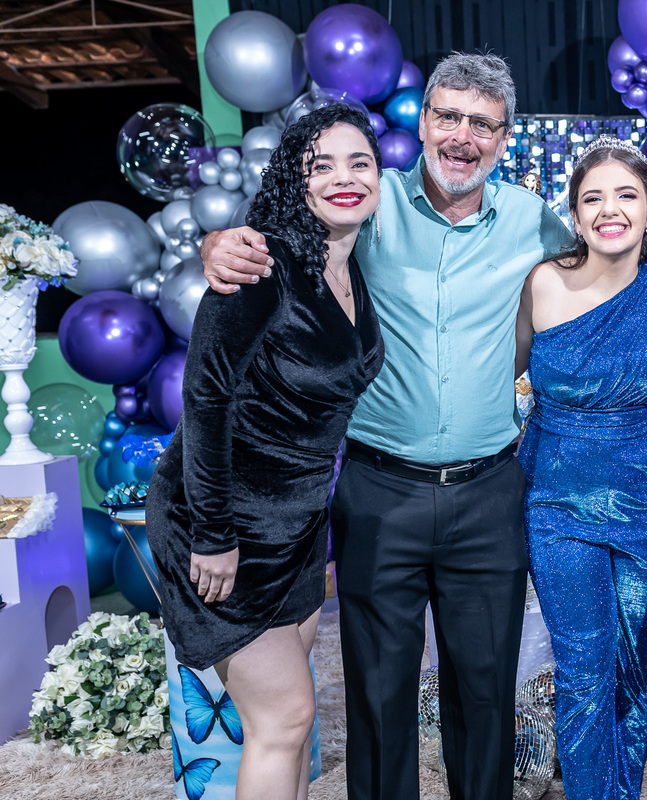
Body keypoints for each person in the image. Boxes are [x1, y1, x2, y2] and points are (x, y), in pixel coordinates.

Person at [199, 53, 573, 800]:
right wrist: (220, 241)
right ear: (423, 123)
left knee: (486, 695)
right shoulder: (369, 201)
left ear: (504, 138)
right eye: (448, 116)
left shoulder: (533, 221)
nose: (463, 136)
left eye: (483, 124)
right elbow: (280, 232)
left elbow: (598, 272)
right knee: (378, 698)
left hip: (489, 492)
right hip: (378, 490)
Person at [146, 104, 385, 800]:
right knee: (285, 717)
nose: (343, 178)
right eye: (321, 165)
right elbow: (206, 399)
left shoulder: (349, 267)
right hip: (221, 521)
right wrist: (214, 534)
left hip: (297, 527)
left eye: (359, 162)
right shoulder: (260, 262)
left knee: (284, 729)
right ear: (293, 181)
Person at [514, 137, 647, 800]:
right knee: (585, 673)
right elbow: (498, 378)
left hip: (646, 493)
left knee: (636, 674)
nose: (609, 209)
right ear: (576, 214)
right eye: (593, 198)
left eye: (626, 195)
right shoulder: (542, 283)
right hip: (555, 498)